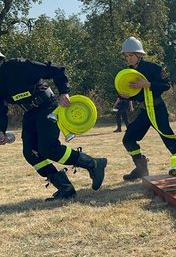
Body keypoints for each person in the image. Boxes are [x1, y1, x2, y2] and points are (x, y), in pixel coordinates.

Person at [0, 51, 107, 201]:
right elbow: (0, 109)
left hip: (47, 106)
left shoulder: (18, 65)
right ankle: (65, 188)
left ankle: (93, 163)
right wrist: (1, 130)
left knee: (48, 148)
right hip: (30, 113)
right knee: (30, 153)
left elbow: (57, 70)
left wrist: (64, 92)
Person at [120, 37, 176, 180]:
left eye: (131, 55)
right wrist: (125, 95)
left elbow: (166, 85)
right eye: (127, 55)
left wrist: (148, 84)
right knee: (128, 139)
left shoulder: (154, 68)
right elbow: (134, 95)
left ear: (139, 55)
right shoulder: (128, 73)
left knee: (168, 138)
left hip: (157, 109)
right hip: (144, 111)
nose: (128, 58)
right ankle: (141, 168)